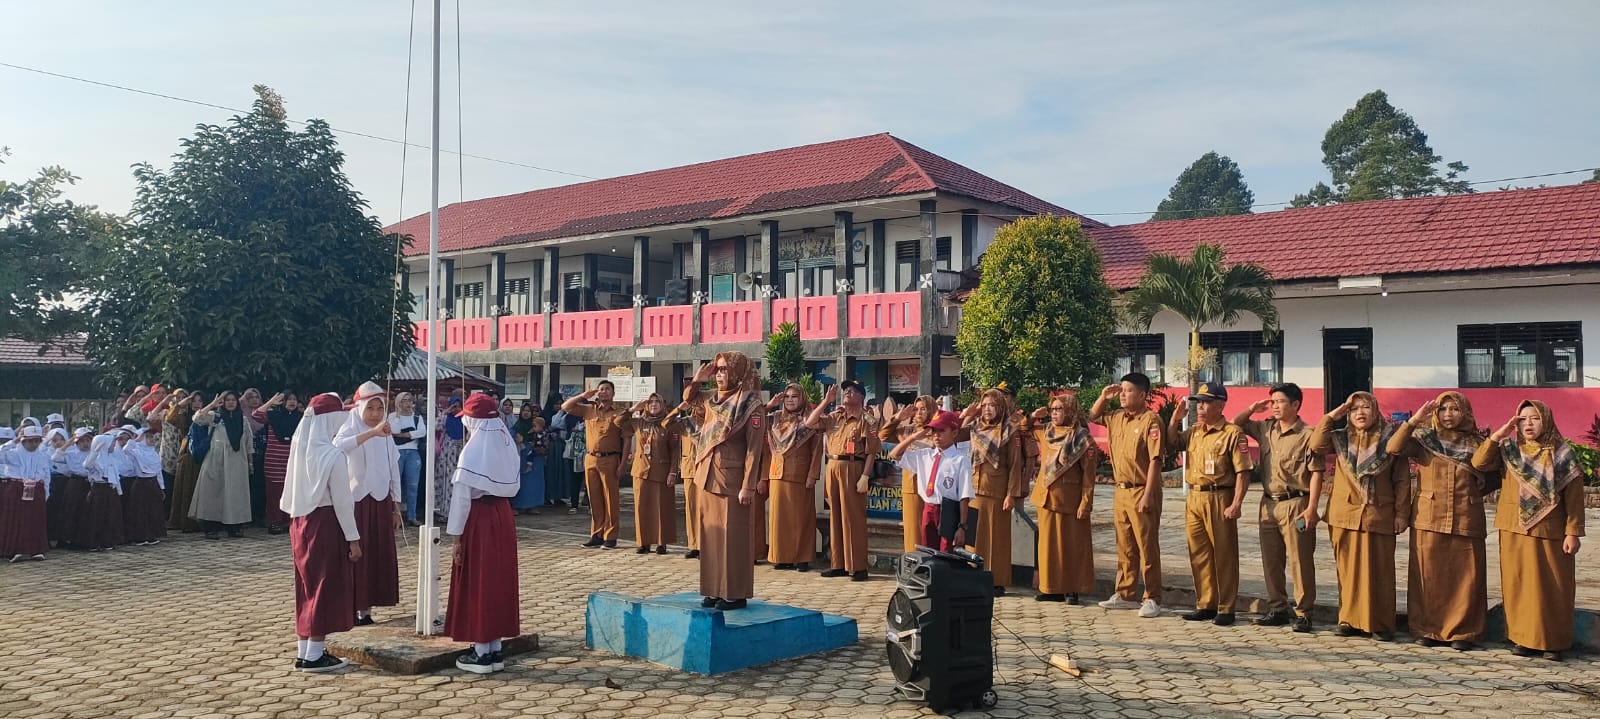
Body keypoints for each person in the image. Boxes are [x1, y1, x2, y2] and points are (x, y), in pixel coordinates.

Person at [1472, 400, 1585, 661]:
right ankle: (1521, 638)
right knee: (1517, 584)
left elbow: (1575, 497)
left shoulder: (1563, 453)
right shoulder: (1509, 449)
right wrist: (1498, 436)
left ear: (1546, 419)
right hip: (1514, 528)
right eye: (1522, 419)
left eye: (1534, 418)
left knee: (1553, 586)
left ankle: (1552, 642)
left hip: (1551, 530)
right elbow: (1478, 463)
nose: (1528, 424)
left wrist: (1573, 531)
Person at [1388, 392, 1490, 651]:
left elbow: (1493, 476)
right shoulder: (1424, 440)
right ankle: (1426, 629)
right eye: (1443, 409)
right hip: (1428, 516)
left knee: (1466, 576)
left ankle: (1464, 632)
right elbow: (1393, 448)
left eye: (1454, 409)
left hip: (1466, 516)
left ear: (1465, 412)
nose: (1448, 414)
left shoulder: (1479, 443)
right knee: (1428, 574)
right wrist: (1414, 422)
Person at [1311, 392, 1410, 641]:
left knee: (1380, 570)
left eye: (1366, 407)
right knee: (1347, 571)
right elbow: (1315, 445)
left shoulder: (1390, 439)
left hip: (1378, 514)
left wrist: (1402, 514)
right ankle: (1349, 620)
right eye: (1354, 409)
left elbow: (1401, 480)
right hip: (1344, 515)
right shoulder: (1339, 438)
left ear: (1375, 411)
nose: (1360, 413)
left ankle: (1380, 623)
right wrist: (1334, 415)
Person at [1232, 383, 1323, 633]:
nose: (1274, 406)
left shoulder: (1308, 434)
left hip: (1297, 503)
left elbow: (1317, 473)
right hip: (1268, 503)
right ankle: (1278, 608)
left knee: (1300, 561)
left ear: (1295, 405)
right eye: (1272, 402)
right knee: (1271, 560)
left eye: (1280, 401)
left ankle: (1304, 612)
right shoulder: (1265, 428)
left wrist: (1312, 507)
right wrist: (1252, 408)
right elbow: (1234, 425)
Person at [281, 393, 362, 673]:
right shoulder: (332, 454)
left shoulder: (300, 448)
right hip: (325, 523)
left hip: (300, 521)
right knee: (324, 586)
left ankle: (305, 650)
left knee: (306, 585)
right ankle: (315, 654)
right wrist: (353, 538)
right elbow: (342, 501)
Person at [681, 352, 767, 609]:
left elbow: (754, 449)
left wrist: (748, 485)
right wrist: (697, 380)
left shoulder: (751, 404)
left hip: (733, 480)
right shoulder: (712, 400)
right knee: (711, 536)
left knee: (734, 538)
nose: (719, 375)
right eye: (717, 370)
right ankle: (714, 589)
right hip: (707, 475)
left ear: (738, 372)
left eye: (724, 370)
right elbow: (689, 400)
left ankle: (735, 593)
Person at [445, 393, 523, 674]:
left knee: (479, 580)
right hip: (503, 516)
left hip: (478, 519)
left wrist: (455, 537)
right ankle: (494, 648)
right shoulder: (506, 444)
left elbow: (461, 499)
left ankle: (480, 651)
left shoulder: (472, 451)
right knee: (498, 579)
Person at [1166, 382, 1253, 626]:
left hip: (1219, 497)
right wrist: (1174, 421)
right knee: (1199, 553)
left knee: (1223, 554)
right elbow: (1172, 444)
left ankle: (1226, 607)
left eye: (1205, 402)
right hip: (1194, 497)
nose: (1200, 407)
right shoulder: (1195, 431)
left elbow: (1243, 472)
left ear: (1220, 404)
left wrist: (1236, 503)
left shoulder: (1232, 433)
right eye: (1198, 403)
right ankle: (1206, 603)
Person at [1088, 372, 1166, 619]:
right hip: (1120, 490)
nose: (1122, 394)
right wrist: (1103, 396)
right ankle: (1125, 594)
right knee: (1125, 546)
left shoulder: (1150, 421)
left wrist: (1148, 495)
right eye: (1121, 390)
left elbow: (1156, 461)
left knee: (1147, 545)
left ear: (1142, 395)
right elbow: (1092, 416)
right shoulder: (1116, 418)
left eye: (1128, 390)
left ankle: (1152, 597)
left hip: (1142, 488)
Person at [335, 382, 403, 626]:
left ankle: (367, 609)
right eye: (370, 407)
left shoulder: (385, 433)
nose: (375, 413)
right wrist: (370, 433)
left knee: (377, 555)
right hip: (356, 503)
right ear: (359, 407)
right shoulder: (349, 427)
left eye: (379, 408)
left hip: (381, 500)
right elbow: (339, 447)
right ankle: (352, 606)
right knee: (356, 555)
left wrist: (396, 506)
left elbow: (393, 467)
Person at [1024, 393, 1097, 604]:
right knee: (1048, 546)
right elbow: (1021, 429)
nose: (1055, 413)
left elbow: (1088, 476)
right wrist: (1031, 417)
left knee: (1072, 545)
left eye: (1059, 409)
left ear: (1071, 411)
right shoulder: (1046, 431)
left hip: (1070, 500)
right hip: (1046, 497)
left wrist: (1086, 502)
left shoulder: (1082, 438)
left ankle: (1072, 588)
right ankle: (1050, 587)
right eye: (1053, 409)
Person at [803, 380, 879, 582]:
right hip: (833, 466)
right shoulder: (834, 417)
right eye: (845, 391)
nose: (847, 393)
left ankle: (857, 566)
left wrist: (865, 476)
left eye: (852, 391)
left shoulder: (867, 420)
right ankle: (838, 564)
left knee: (852, 518)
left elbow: (872, 451)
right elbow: (809, 423)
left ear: (861, 397)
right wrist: (825, 401)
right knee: (835, 517)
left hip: (853, 467)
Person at [958, 387, 1026, 595]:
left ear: (1001, 407)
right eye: (984, 405)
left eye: (992, 405)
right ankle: (973, 576)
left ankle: (996, 580)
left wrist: (1011, 494)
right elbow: (956, 436)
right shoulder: (974, 427)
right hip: (974, 488)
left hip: (997, 490)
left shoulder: (1009, 430)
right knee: (975, 538)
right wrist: (967, 414)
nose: (987, 409)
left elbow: (1015, 465)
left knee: (997, 538)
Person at [887, 409, 973, 554]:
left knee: (947, 552)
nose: (936, 435)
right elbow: (894, 454)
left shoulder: (960, 459)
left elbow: (964, 496)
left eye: (941, 431)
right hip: (928, 507)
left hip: (949, 509)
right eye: (933, 431)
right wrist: (914, 437)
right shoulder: (926, 455)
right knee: (928, 551)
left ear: (954, 433)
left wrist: (962, 526)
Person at [561, 381, 628, 549]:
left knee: (610, 498)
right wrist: (583, 396)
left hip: (610, 459)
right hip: (591, 458)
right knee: (594, 498)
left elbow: (627, 439)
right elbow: (565, 406)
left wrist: (623, 464)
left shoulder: (620, 412)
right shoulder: (589, 409)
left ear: (613, 393)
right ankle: (597, 534)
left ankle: (611, 536)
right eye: (601, 389)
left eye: (607, 389)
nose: (603, 392)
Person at [763, 384, 823, 570]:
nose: (790, 399)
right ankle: (782, 557)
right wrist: (770, 406)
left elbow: (817, 450)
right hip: (777, 474)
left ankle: (802, 558)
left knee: (801, 518)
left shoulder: (809, 420)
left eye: (794, 396)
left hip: (800, 475)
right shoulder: (775, 418)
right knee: (779, 519)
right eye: (787, 396)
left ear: (802, 398)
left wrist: (813, 475)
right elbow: (752, 422)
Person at [190, 391, 255, 539]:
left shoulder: (243, 420)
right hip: (216, 459)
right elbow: (197, 418)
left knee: (235, 495)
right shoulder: (215, 416)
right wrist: (212, 405)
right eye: (228, 400)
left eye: (233, 400)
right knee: (212, 492)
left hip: (237, 460)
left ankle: (234, 527)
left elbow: (248, 442)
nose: (231, 403)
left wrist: (250, 462)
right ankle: (211, 527)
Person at [879, 395, 940, 553]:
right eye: (916, 409)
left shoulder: (937, 431)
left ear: (932, 411)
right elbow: (882, 436)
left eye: (923, 409)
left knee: (930, 530)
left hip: (932, 487)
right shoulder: (906, 431)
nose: (919, 413)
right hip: (911, 486)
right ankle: (913, 565)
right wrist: (898, 418)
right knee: (913, 530)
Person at [621, 394, 678, 555]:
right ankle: (643, 542)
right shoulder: (639, 422)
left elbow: (675, 450)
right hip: (641, 471)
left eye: (657, 402)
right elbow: (618, 422)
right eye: (650, 402)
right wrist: (633, 409)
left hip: (662, 471)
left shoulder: (668, 423)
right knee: (642, 508)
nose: (653, 404)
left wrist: (673, 472)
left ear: (662, 405)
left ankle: (662, 542)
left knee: (663, 508)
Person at [253, 392, 303, 535]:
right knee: (274, 493)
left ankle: (288, 521)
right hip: (274, 460)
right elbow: (256, 415)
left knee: (291, 491)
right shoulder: (273, 414)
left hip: (292, 459)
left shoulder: (300, 417)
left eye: (294, 399)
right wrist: (271, 402)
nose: (292, 402)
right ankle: (274, 522)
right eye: (289, 399)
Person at [0, 426, 52, 562]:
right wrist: (13, 440)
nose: (33, 444)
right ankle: (15, 549)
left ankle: (36, 549)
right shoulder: (13, 453)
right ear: (23, 441)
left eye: (36, 441)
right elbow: (1, 454)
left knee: (35, 519)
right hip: (17, 487)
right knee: (17, 519)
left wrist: (46, 490)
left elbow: (46, 474)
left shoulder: (42, 455)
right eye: (30, 441)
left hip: (36, 488)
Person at [77, 433, 126, 552]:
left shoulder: (111, 459)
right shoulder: (95, 459)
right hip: (99, 489)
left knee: (109, 516)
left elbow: (115, 476)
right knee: (96, 516)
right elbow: (87, 465)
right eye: (112, 443)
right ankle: (93, 542)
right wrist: (95, 451)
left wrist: (118, 491)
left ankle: (107, 541)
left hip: (110, 489)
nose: (114, 446)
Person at [122, 427, 167, 547]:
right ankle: (139, 536)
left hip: (153, 483)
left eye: (152, 437)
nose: (151, 439)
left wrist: (161, 487)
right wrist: (135, 440)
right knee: (140, 511)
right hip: (141, 483)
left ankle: (152, 534)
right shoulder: (136, 451)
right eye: (147, 437)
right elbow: (126, 450)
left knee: (152, 510)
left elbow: (158, 472)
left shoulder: (153, 452)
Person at [166, 392, 204, 532]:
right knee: (185, 488)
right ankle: (184, 522)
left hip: (203, 455)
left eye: (200, 401)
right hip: (186, 455)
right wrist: (181, 403)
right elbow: (170, 418)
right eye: (193, 401)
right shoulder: (184, 417)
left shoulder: (208, 417)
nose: (196, 403)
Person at [387, 392, 427, 526]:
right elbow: (394, 430)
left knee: (412, 485)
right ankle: (394, 513)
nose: (408, 403)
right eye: (404, 400)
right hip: (397, 452)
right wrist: (399, 415)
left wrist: (405, 434)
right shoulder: (392, 417)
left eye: (410, 400)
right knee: (395, 484)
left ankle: (412, 515)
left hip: (413, 452)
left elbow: (422, 432)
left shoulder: (417, 418)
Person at [49, 428, 93, 548]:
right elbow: (55, 458)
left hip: (89, 482)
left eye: (88, 440)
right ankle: (68, 538)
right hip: (75, 482)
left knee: (87, 510)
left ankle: (84, 538)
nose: (85, 444)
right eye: (82, 441)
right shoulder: (71, 453)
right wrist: (68, 443)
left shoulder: (94, 453)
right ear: (76, 442)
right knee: (72, 509)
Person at [434, 397, 465, 524]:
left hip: (461, 451)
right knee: (446, 481)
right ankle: (444, 511)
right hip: (447, 453)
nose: (456, 409)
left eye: (458, 406)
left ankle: (457, 511)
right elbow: (436, 426)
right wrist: (446, 411)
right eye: (454, 406)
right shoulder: (446, 418)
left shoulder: (465, 419)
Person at [510, 406, 546, 515]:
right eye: (524, 411)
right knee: (522, 480)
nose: (526, 413)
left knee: (535, 481)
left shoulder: (536, 425)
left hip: (535, 455)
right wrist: (518, 441)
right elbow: (511, 438)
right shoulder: (517, 426)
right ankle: (518, 505)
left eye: (528, 411)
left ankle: (533, 505)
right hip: (521, 454)